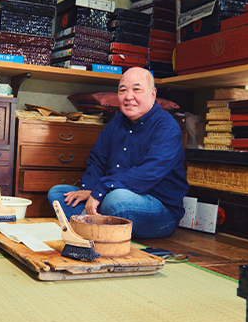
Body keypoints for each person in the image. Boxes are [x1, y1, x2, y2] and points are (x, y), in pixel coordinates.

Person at [47, 67, 188, 239]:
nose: (129, 96)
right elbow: (97, 160)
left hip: (157, 207)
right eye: (123, 90)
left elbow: (146, 174)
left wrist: (100, 191)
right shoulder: (116, 123)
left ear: (153, 94)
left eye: (137, 89)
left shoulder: (167, 127)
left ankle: (88, 225)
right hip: (109, 192)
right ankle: (98, 225)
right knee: (57, 194)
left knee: (116, 201)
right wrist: (90, 189)